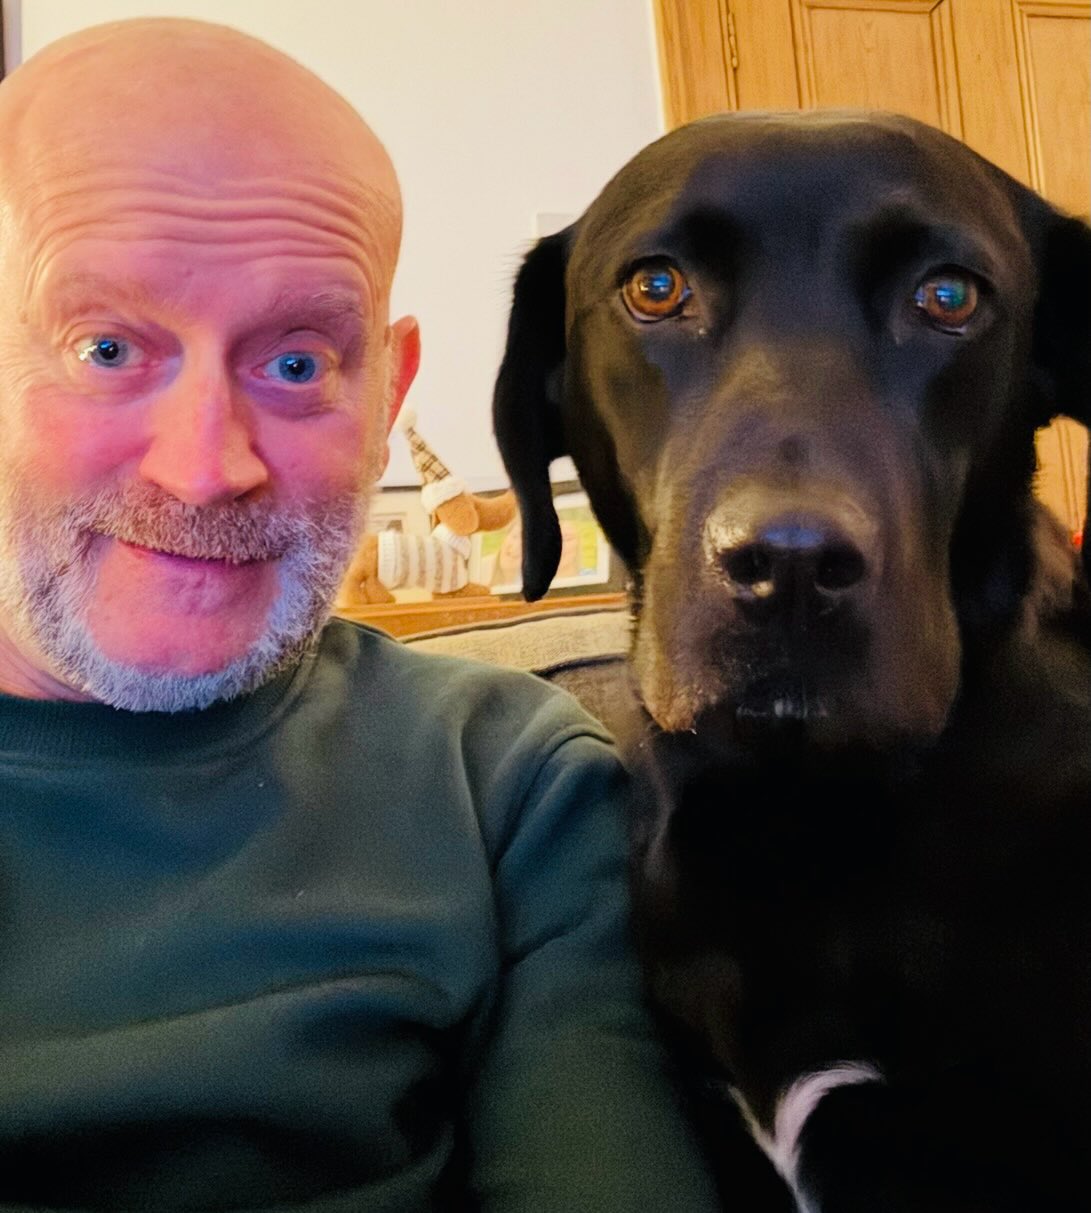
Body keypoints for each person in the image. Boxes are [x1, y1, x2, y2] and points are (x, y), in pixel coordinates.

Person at [0, 18, 719, 1212]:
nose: (204, 468)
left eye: (294, 364)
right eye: (108, 345)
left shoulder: (510, 785)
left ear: (390, 389)